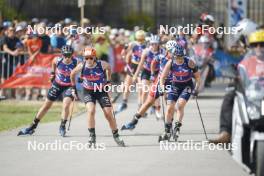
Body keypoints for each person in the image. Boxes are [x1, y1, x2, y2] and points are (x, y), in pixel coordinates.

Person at [209, 29, 264, 144]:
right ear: (251, 47)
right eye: (255, 45)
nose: (259, 47)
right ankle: (226, 133)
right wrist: (236, 75)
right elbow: (239, 70)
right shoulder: (247, 61)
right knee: (230, 93)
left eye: (262, 44)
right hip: (252, 93)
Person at [17, 45, 78, 137]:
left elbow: (85, 67)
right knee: (46, 106)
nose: (67, 57)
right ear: (62, 55)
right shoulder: (57, 60)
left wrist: (81, 78)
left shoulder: (76, 61)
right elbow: (53, 64)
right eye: (65, 55)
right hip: (57, 84)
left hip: (69, 86)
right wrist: (53, 73)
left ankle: (62, 126)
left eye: (69, 55)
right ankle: (32, 127)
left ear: (72, 55)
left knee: (66, 105)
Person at [70, 46, 125, 147]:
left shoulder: (101, 64)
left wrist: (108, 81)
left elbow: (109, 67)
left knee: (108, 113)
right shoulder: (82, 66)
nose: (89, 60)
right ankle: (92, 136)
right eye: (86, 58)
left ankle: (116, 135)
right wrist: (73, 88)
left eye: (91, 57)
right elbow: (72, 74)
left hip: (101, 91)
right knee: (91, 111)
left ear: (94, 57)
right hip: (88, 91)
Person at [121, 40, 177, 130]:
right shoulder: (161, 57)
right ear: (167, 50)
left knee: (170, 105)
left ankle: (169, 127)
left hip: (171, 83)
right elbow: (153, 63)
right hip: (159, 82)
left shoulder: (177, 59)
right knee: (148, 103)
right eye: (171, 51)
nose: (174, 53)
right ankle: (133, 122)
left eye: (175, 51)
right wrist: (152, 73)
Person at [159, 44, 201, 141]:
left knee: (180, 106)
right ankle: (167, 130)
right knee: (169, 108)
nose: (180, 59)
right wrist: (162, 88)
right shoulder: (170, 63)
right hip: (176, 85)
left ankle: (177, 127)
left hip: (187, 85)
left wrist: (196, 89)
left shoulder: (189, 62)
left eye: (181, 56)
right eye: (177, 57)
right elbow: (162, 78)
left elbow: (198, 77)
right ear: (174, 56)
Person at [115, 30, 146, 114]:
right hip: (133, 65)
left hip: (141, 67)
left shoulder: (146, 45)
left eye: (141, 40)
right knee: (127, 84)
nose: (140, 42)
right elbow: (123, 52)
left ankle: (140, 106)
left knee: (141, 87)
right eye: (139, 39)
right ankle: (124, 102)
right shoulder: (133, 44)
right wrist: (124, 55)